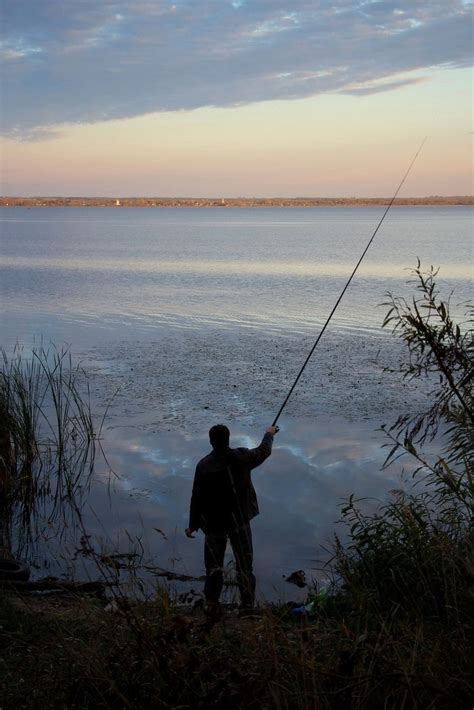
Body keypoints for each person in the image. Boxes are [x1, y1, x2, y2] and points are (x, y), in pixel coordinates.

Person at [185, 424, 278, 613]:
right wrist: (269, 434)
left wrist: (192, 525)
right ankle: (247, 607)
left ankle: (212, 605)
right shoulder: (241, 457)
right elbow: (263, 451)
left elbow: (197, 496)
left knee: (213, 567)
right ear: (228, 439)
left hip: (214, 524)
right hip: (240, 521)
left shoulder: (204, 465)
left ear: (211, 441)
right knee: (245, 566)